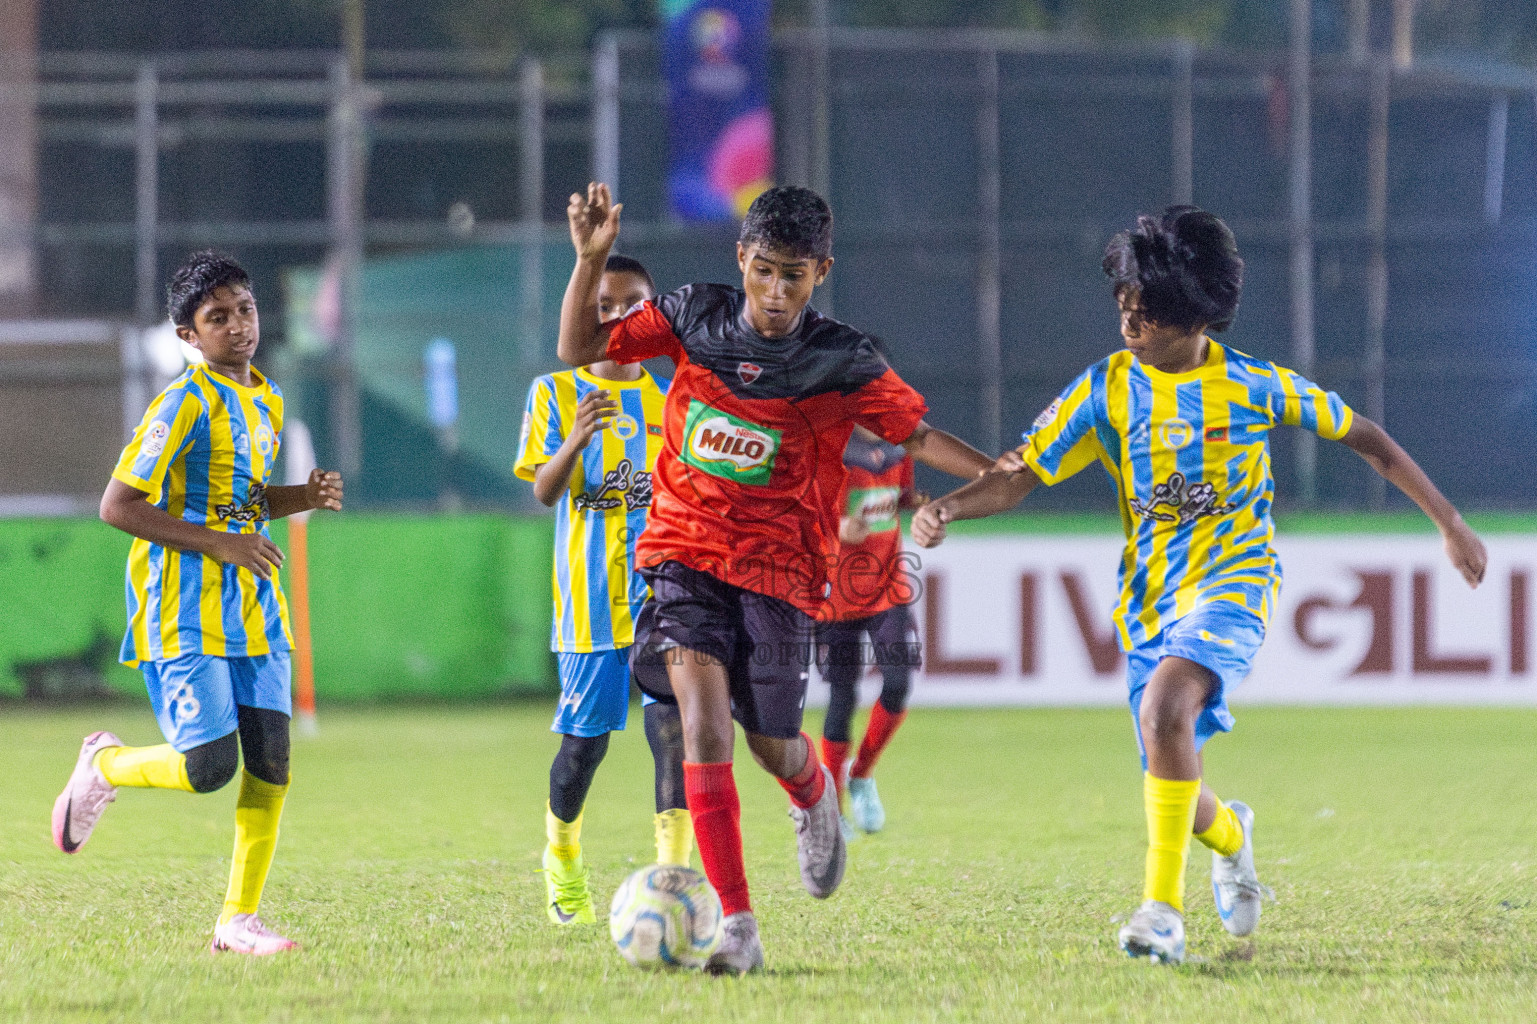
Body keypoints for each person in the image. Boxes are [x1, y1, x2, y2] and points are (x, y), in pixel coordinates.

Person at [910, 206, 1487, 965]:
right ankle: (1232, 835)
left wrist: (1448, 522)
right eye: (1121, 299)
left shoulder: (1252, 386)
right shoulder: (1103, 390)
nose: (1127, 317)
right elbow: (1016, 478)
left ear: (1194, 314)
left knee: (1164, 709)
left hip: (1233, 582)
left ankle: (1160, 912)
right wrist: (948, 506)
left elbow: (1368, 440)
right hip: (1148, 601)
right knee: (1169, 756)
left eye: (1144, 309)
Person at [557, 181, 995, 974]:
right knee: (702, 726)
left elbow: (919, 435)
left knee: (772, 743)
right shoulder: (692, 313)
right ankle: (737, 926)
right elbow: (581, 349)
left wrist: (998, 477)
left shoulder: (842, 358)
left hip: (781, 573)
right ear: (741, 260)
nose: (775, 291)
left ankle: (810, 792)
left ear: (819, 271)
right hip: (683, 554)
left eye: (793, 275)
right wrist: (587, 262)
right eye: (763, 270)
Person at [52, 250, 344, 955]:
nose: (238, 326)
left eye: (243, 309)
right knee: (209, 767)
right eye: (218, 318)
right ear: (189, 335)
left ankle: (236, 921)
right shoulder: (182, 403)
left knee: (271, 759)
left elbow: (241, 501)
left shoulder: (266, 398)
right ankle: (105, 765)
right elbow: (116, 505)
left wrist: (297, 497)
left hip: (253, 602)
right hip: (181, 608)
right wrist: (216, 543)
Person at [514, 253, 692, 926]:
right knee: (583, 749)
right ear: (586, 313)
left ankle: (671, 871)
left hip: (667, 600)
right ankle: (562, 856)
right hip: (588, 607)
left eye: (633, 304)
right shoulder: (554, 392)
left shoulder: (673, 398)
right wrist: (575, 440)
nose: (619, 316)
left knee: (672, 728)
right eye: (605, 305)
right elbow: (543, 491)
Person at [818, 425, 925, 835]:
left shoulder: (898, 451)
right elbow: (800, 508)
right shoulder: (827, 449)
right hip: (835, 595)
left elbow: (901, 499)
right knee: (842, 697)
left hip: (888, 588)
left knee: (898, 682)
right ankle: (833, 811)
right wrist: (836, 527)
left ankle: (861, 774)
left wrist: (924, 507)